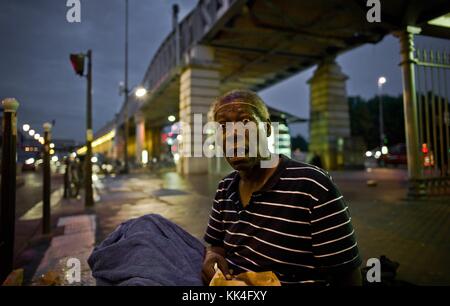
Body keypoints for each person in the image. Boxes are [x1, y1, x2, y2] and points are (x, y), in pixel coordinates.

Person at [202, 89, 362, 286]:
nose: (233, 133)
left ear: (268, 129)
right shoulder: (224, 188)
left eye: (245, 121)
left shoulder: (312, 185)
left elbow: (347, 277)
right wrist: (212, 256)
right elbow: (216, 245)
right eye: (223, 126)